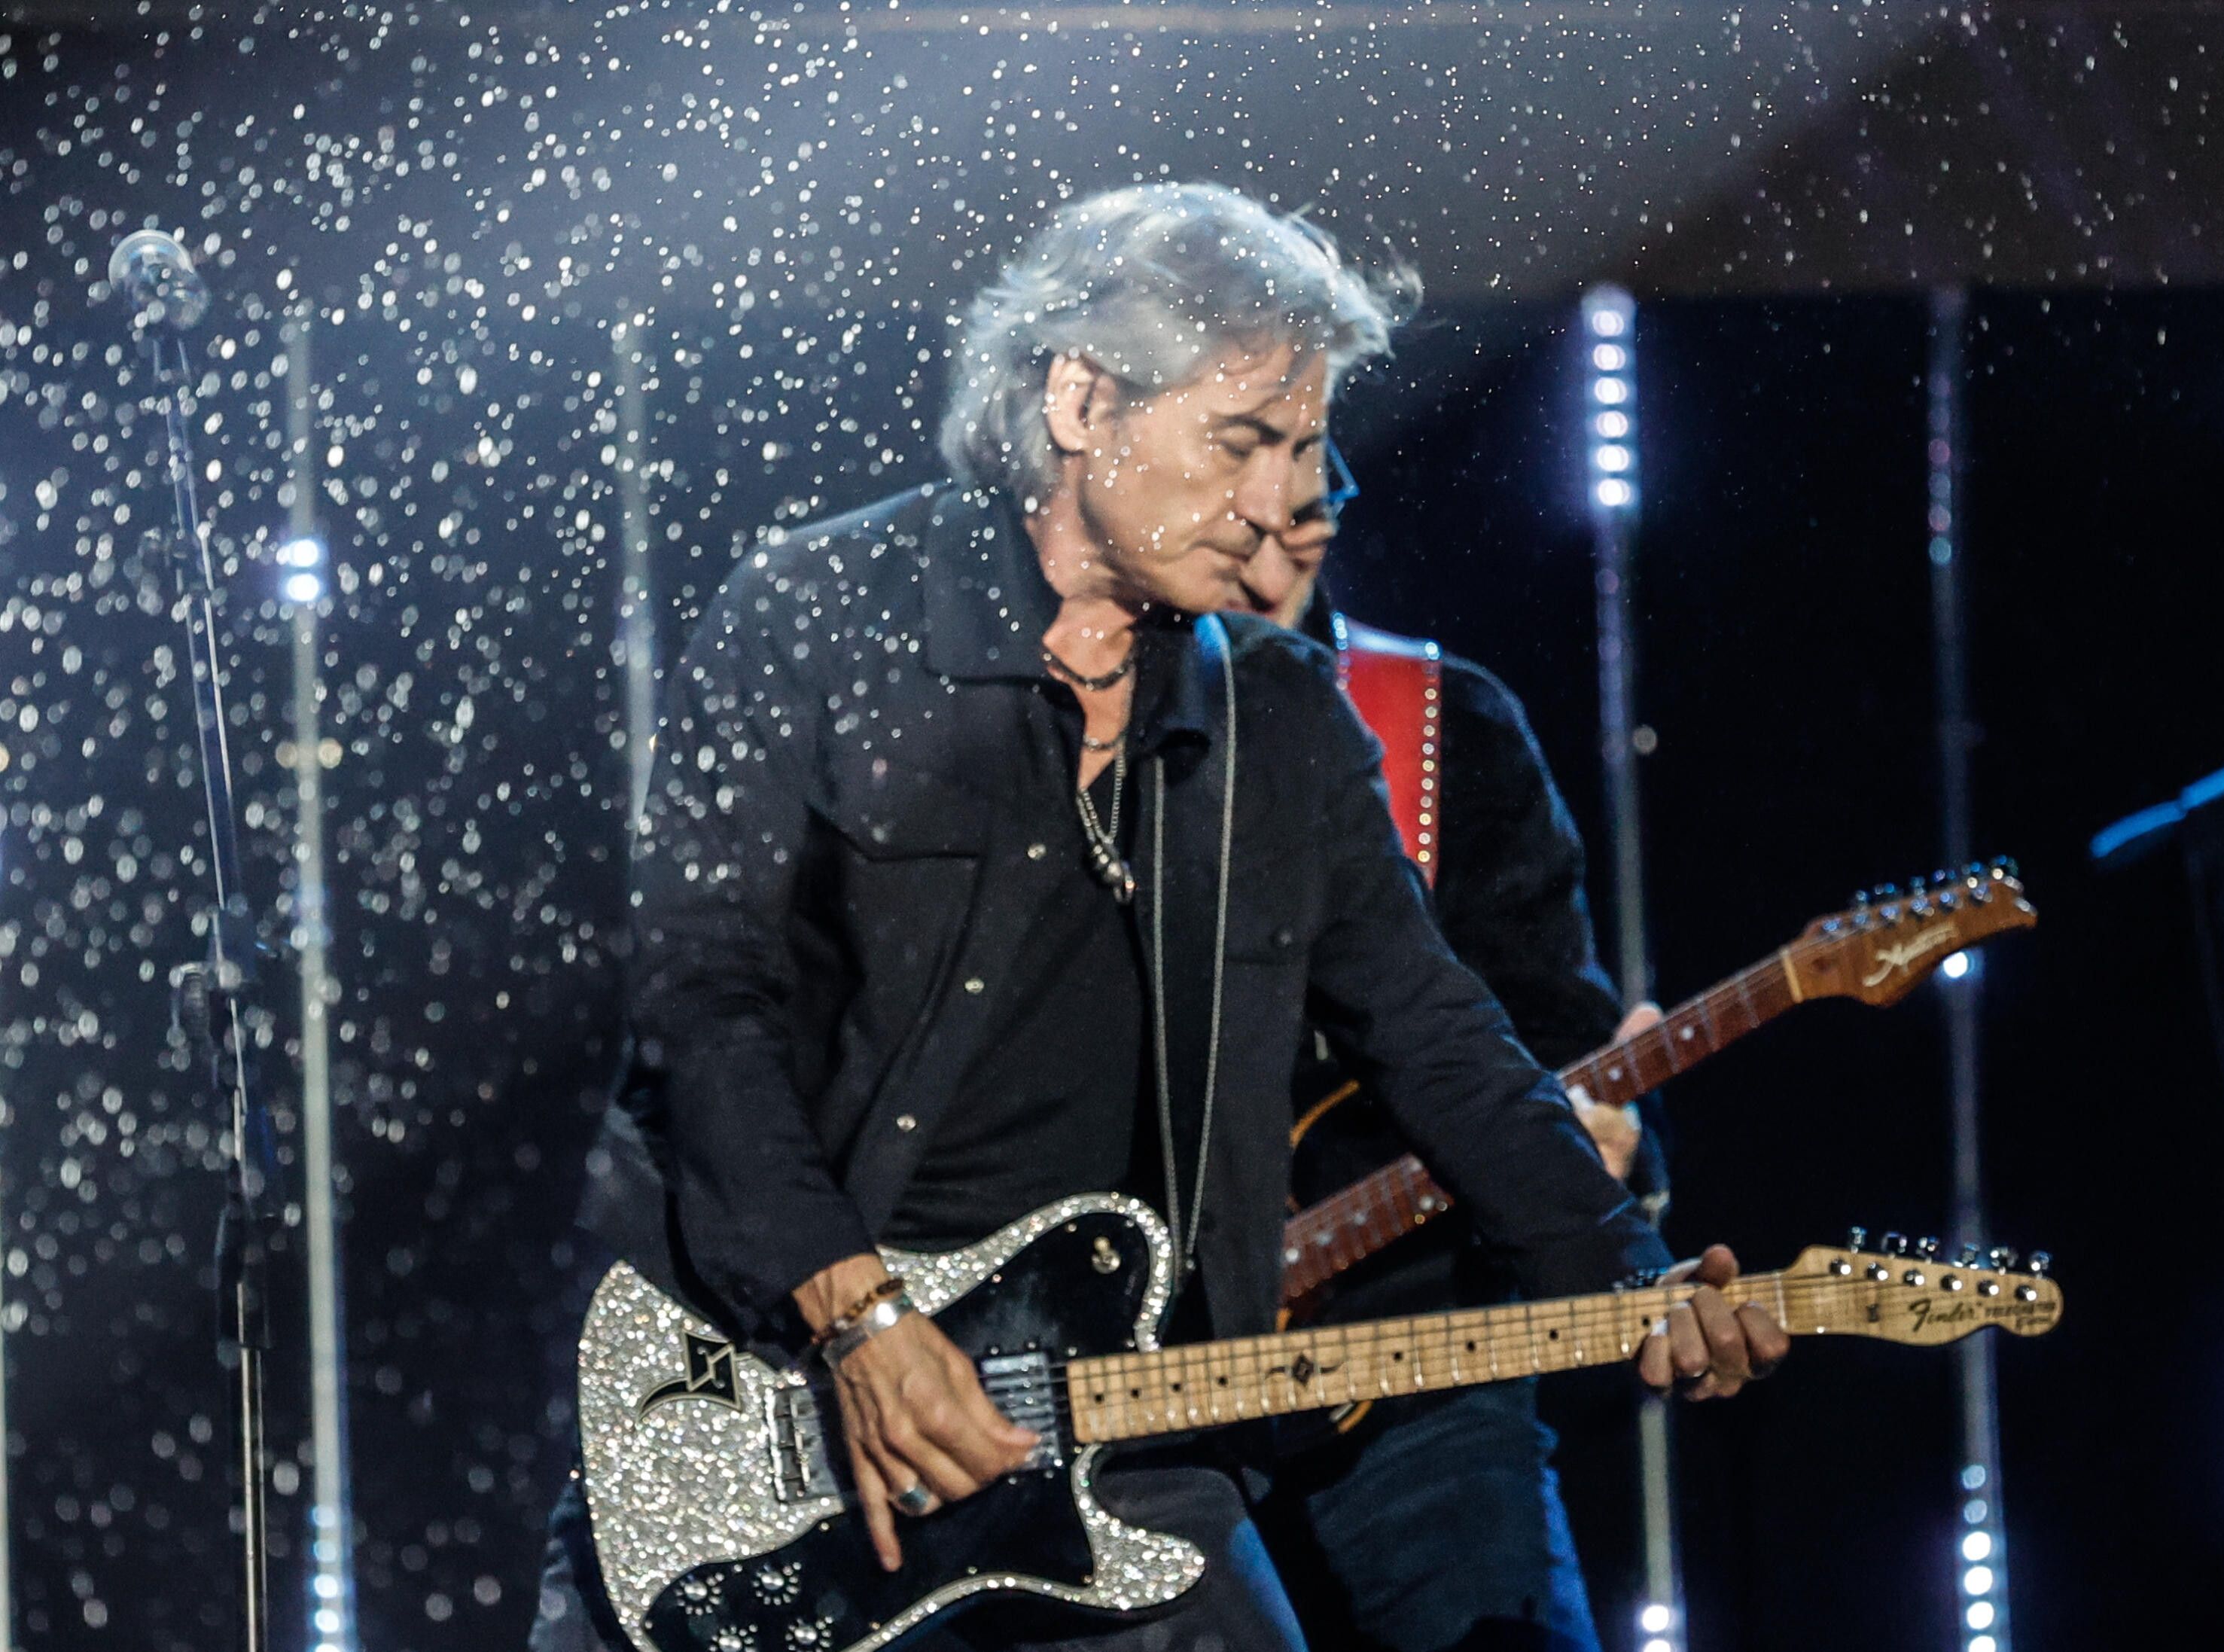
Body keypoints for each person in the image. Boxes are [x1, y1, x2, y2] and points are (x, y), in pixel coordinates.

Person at [532, 181, 1786, 1652]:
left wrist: (1632, 1280)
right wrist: (857, 1312)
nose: (1280, 500)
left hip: (1113, 1421)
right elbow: (702, 999)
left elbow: (1438, 1034)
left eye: (1302, 448)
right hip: (772, 1388)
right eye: (1241, 440)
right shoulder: (815, 614)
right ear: (1080, 401)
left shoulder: (1281, 717)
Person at [1215, 471, 1663, 1651]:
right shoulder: (1090, 712)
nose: (1267, 566)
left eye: (1300, 522)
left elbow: (1553, 1029)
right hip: (1148, 1373)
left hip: (1415, 1350)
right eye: (1239, 527)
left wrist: (1605, 1152)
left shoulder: (1439, 718)